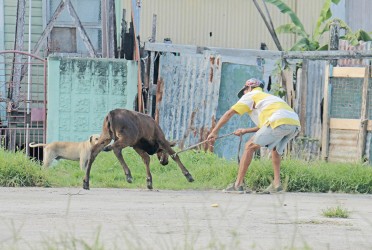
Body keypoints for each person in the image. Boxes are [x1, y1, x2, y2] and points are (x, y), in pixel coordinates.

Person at [207, 78, 301, 194]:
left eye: (245, 90)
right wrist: (245, 130)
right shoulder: (268, 99)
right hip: (294, 124)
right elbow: (265, 127)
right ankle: (277, 185)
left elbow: (229, 113)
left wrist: (214, 131)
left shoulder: (250, 95)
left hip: (278, 121)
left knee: (249, 146)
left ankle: (238, 185)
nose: (244, 94)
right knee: (275, 150)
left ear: (250, 88)